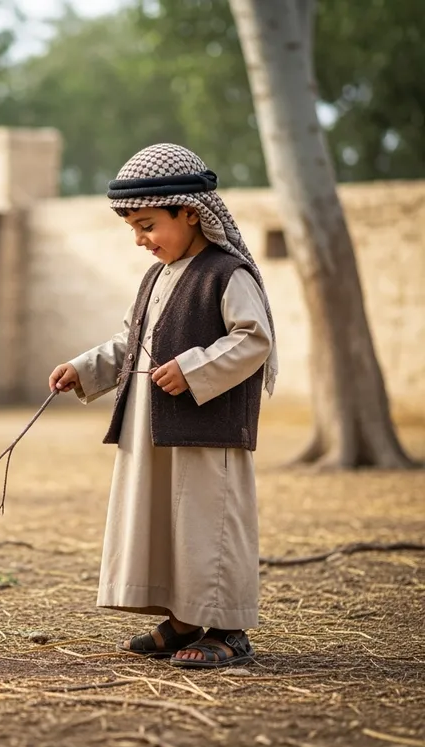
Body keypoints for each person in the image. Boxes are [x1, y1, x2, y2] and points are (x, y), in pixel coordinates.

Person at [48, 144, 278, 668]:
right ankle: (181, 622)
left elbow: (254, 338)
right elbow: (132, 343)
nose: (140, 240)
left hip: (207, 427)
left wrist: (194, 368)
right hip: (152, 428)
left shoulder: (227, 273)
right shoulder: (156, 276)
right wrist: (83, 369)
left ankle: (227, 629)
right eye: (133, 228)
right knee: (167, 523)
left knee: (208, 522)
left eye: (148, 225)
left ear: (189, 213)